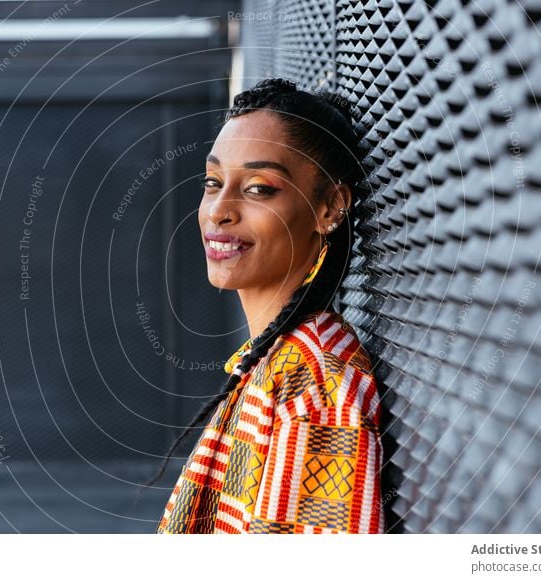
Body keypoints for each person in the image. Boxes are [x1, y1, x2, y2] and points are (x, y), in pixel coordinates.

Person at [145, 77, 384, 534]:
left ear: (329, 207)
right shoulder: (271, 362)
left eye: (258, 188)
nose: (218, 210)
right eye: (212, 182)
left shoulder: (316, 391)